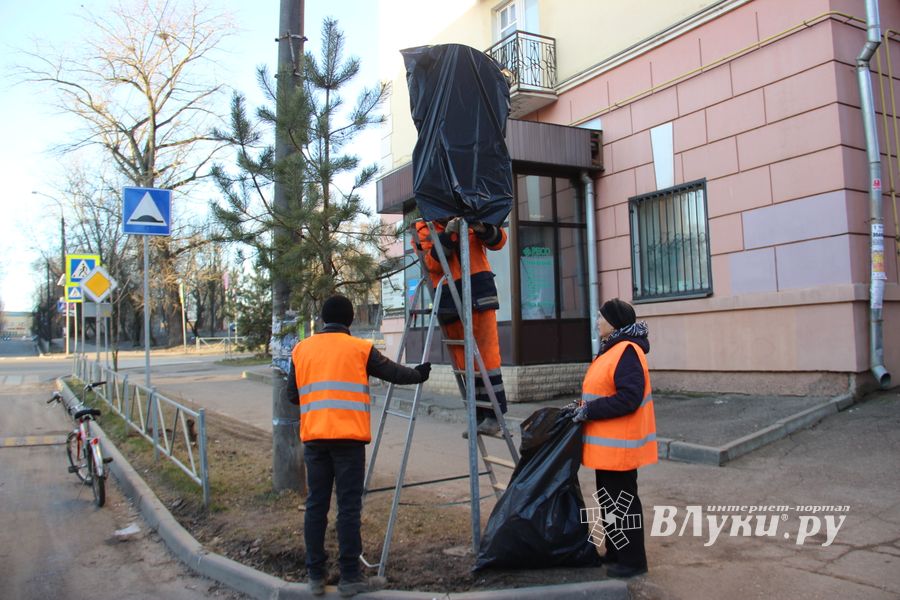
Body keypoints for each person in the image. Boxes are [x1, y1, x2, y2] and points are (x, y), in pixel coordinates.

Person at [287, 294, 431, 597]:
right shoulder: (360, 349)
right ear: (350, 319)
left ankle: (315, 576)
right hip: (348, 441)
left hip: (315, 439)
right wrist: (419, 374)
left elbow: (292, 395)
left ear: (324, 319)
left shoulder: (301, 349)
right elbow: (393, 372)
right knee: (348, 508)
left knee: (316, 506)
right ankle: (350, 577)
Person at [572, 298, 656, 578]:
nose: (597, 322)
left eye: (600, 317)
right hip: (608, 449)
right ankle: (615, 552)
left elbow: (629, 398)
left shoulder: (627, 351)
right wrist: (582, 406)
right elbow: (603, 390)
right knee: (609, 502)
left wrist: (591, 410)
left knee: (623, 503)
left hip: (621, 447)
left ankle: (633, 562)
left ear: (614, 322)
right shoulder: (612, 349)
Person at [413, 216, 507, 435]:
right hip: (450, 300)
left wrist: (481, 227)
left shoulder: (472, 215)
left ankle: (494, 416)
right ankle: (478, 416)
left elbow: (499, 241)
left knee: (487, 358)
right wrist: (448, 235)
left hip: (478, 293)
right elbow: (432, 264)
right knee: (465, 361)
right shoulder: (423, 228)